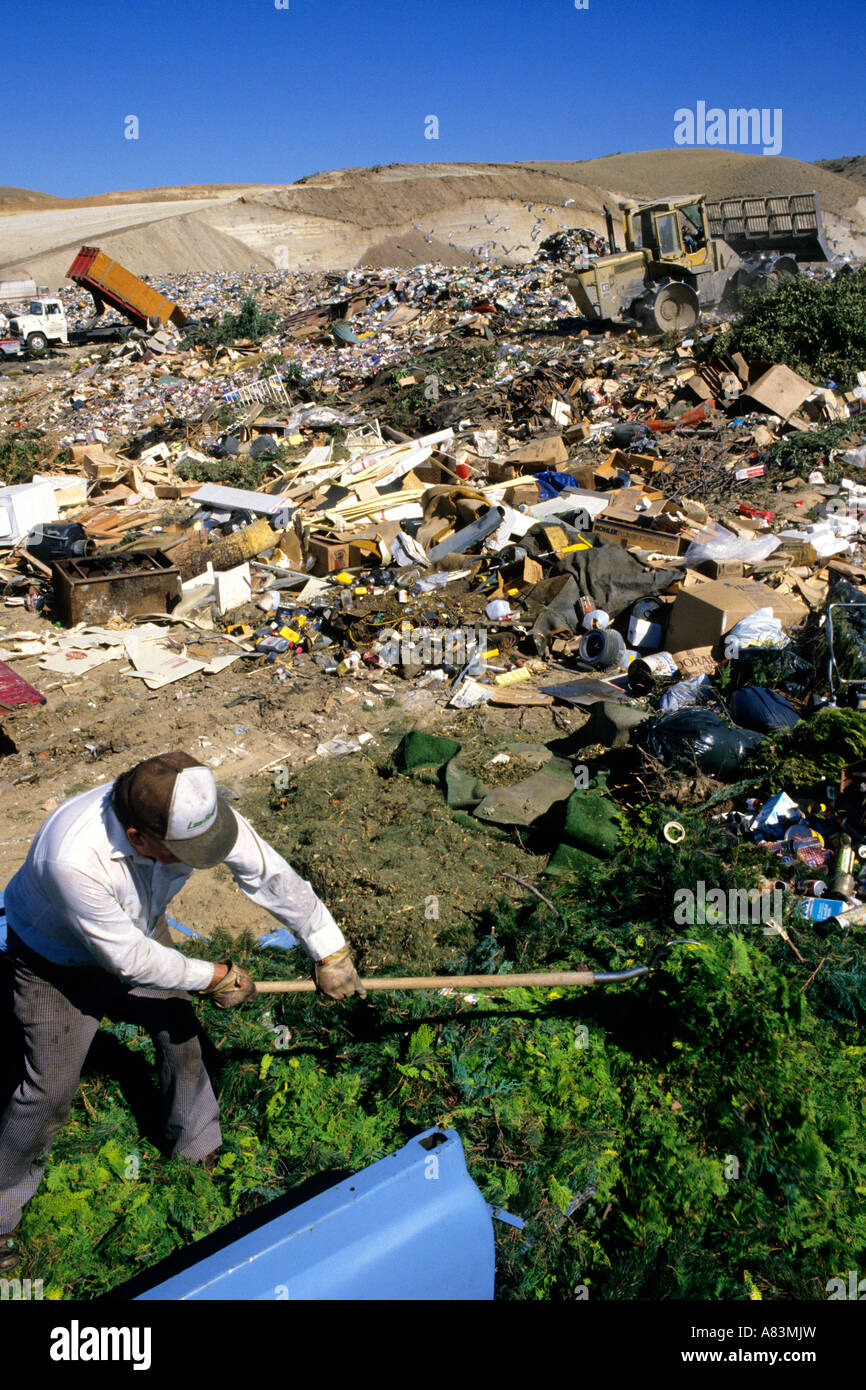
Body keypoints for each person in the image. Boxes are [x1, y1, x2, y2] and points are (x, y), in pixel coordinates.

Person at [0, 750, 365, 1271]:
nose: (200, 859)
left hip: (139, 928)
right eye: (184, 853)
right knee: (47, 1094)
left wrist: (328, 949)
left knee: (180, 1031)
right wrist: (215, 977)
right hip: (55, 963)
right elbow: (127, 959)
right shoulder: (73, 856)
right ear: (138, 838)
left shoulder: (195, 811)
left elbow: (267, 872)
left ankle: (196, 1144)